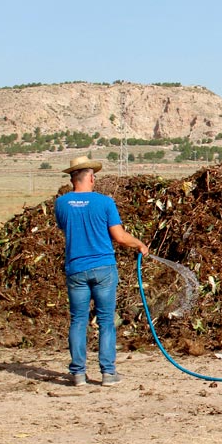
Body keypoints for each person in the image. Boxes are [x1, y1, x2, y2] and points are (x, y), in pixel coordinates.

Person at [55, 156, 149, 387]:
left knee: (78, 320)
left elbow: (66, 229)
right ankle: (108, 373)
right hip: (103, 268)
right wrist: (139, 244)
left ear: (72, 179)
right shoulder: (105, 202)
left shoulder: (61, 203)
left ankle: (78, 374)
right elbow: (119, 236)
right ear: (91, 178)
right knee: (106, 320)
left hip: (76, 268)